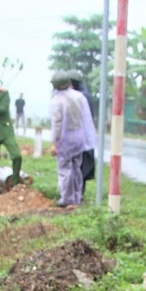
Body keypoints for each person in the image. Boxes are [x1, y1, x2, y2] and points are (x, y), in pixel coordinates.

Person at [49, 70, 96, 209]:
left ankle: (66, 198)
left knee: (65, 169)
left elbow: (57, 123)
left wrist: (54, 143)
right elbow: (86, 118)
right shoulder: (79, 96)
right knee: (76, 168)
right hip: (79, 137)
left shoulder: (57, 100)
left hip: (65, 139)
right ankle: (76, 197)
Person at [66, 69, 98, 185]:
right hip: (84, 136)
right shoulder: (84, 94)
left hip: (81, 137)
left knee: (79, 166)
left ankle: (77, 194)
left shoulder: (80, 96)